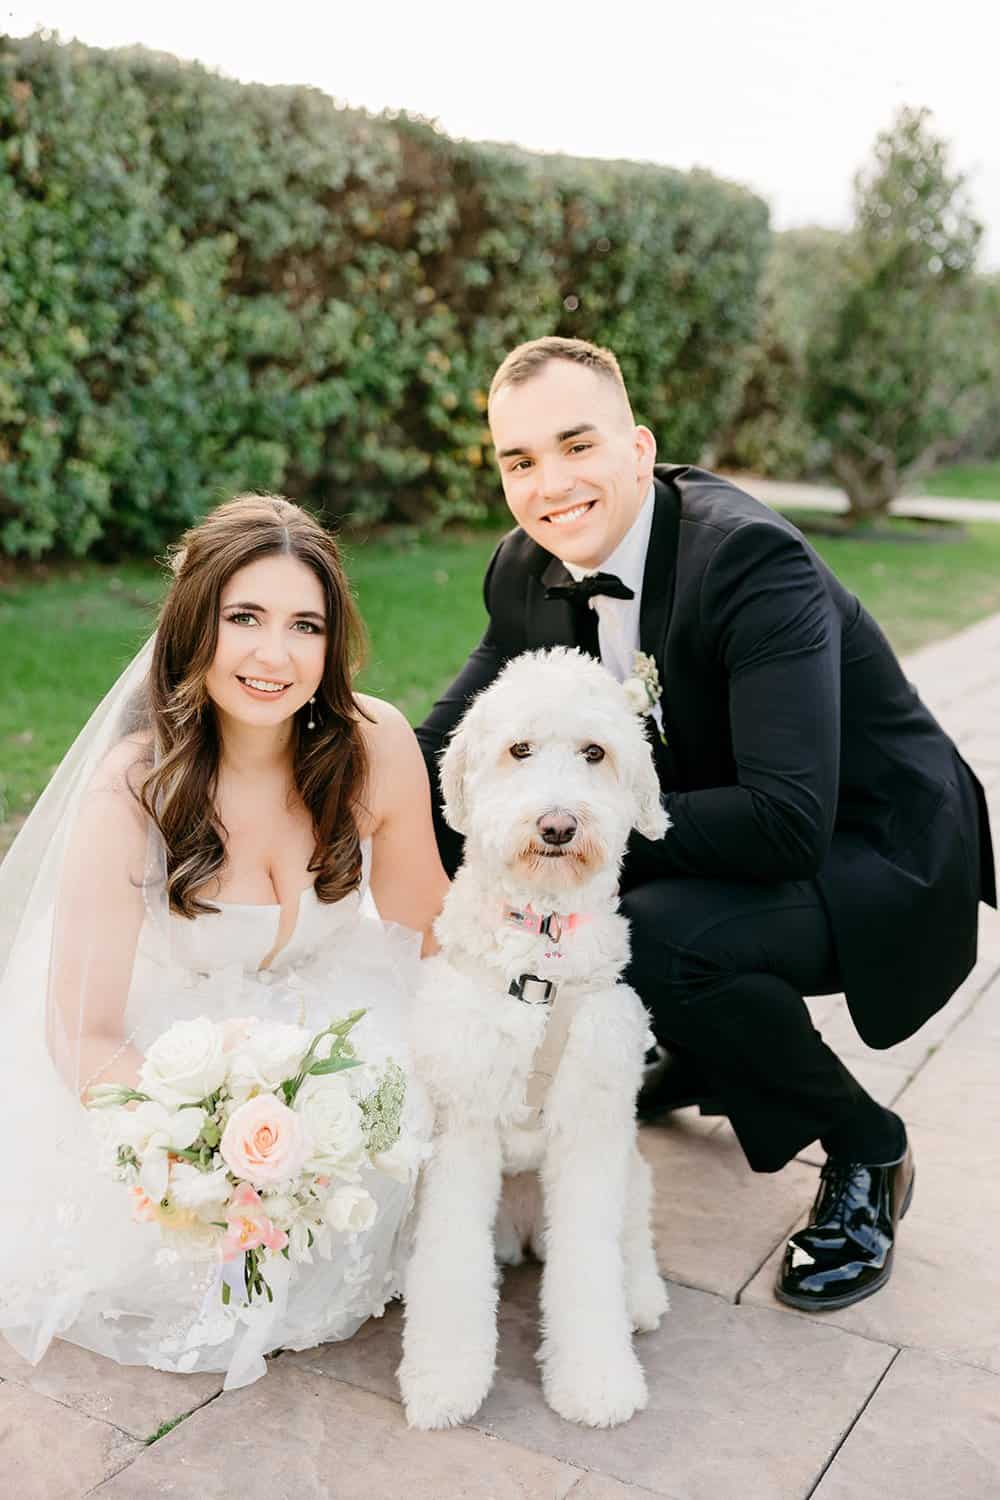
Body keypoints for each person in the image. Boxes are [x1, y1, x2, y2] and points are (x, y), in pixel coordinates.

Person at [416, 336, 996, 1313]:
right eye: (519, 461)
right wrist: (335, 778)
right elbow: (452, 750)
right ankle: (701, 1046)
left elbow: (785, 824)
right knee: (602, 880)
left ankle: (866, 1149)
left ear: (639, 450)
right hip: (730, 821)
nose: (550, 483)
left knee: (648, 936)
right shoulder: (526, 569)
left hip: (876, 848)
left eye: (577, 445)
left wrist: (571, 821)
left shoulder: (751, 561)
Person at [0, 494, 448, 1388]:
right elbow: (82, 1035)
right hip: (159, 1055)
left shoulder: (377, 745)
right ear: (195, 625)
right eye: (243, 617)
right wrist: (203, 1139)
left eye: (304, 625)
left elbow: (430, 945)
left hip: (330, 1023)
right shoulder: (133, 786)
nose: (274, 655)